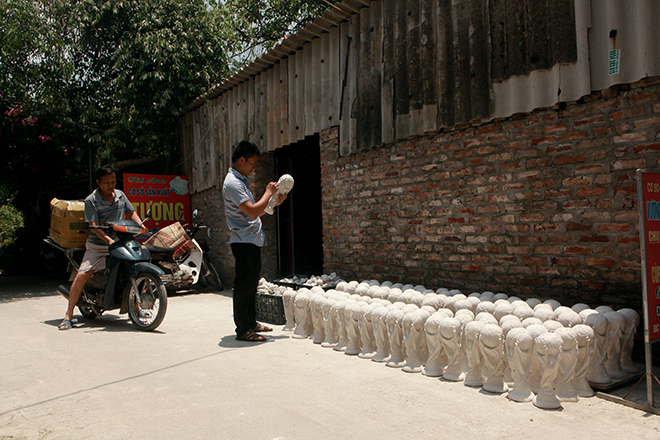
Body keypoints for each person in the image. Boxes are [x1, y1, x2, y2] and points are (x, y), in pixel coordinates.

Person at [58, 165, 146, 330]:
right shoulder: (91, 200)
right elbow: (94, 226)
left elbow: (131, 212)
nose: (110, 185)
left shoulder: (120, 195)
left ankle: (137, 309)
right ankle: (68, 315)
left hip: (120, 241)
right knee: (83, 274)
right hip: (98, 244)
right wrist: (107, 240)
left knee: (134, 269)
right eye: (106, 182)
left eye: (113, 181)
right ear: (98, 182)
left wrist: (140, 225)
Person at [222, 140, 286, 342]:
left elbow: (259, 210)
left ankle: (250, 323)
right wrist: (268, 192)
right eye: (252, 163)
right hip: (244, 242)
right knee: (243, 286)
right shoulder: (233, 183)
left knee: (251, 285)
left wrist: (273, 201)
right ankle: (243, 330)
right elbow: (252, 212)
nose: (254, 167)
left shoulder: (240, 181)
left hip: (251, 240)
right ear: (242, 160)